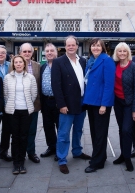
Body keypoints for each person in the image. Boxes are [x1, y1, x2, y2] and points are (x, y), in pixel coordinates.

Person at [51, 35, 91, 174]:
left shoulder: (83, 61)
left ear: (77, 46)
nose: (71, 47)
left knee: (79, 130)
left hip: (81, 102)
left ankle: (77, 151)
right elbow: (56, 85)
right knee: (63, 133)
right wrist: (61, 104)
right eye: (68, 45)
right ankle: (62, 159)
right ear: (65, 46)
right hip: (66, 104)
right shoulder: (58, 62)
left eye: (73, 44)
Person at [83, 38, 115, 173]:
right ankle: (100, 156)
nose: (95, 48)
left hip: (101, 103)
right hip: (91, 101)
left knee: (100, 133)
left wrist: (104, 105)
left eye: (98, 46)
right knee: (95, 132)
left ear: (102, 47)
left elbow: (109, 85)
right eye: (93, 46)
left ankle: (97, 162)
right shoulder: (90, 61)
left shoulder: (106, 60)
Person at [110, 42, 135, 172]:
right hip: (118, 102)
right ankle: (123, 155)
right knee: (120, 129)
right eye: (119, 51)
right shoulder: (114, 65)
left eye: (124, 51)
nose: (122, 53)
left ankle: (128, 158)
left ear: (128, 52)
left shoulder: (134, 67)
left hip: (129, 103)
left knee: (126, 130)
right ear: (116, 53)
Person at [4, 55, 37, 174]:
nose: (18, 64)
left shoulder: (31, 77)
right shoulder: (8, 77)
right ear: (13, 64)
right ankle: (15, 163)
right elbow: (5, 94)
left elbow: (34, 94)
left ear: (24, 64)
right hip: (12, 111)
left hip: (26, 111)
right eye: (16, 62)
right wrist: (12, 105)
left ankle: (22, 162)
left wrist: (27, 104)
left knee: (24, 136)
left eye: (20, 62)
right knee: (15, 137)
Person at [15, 43, 41, 164]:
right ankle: (19, 154)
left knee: (31, 130)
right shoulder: (14, 65)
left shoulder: (38, 66)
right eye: (24, 51)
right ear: (20, 53)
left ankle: (31, 152)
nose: (26, 54)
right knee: (18, 132)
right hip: (17, 106)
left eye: (29, 52)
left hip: (33, 105)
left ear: (32, 53)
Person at [40, 43, 59, 160]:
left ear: (56, 52)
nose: (49, 53)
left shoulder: (61, 65)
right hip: (46, 101)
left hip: (58, 101)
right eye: (47, 51)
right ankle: (51, 147)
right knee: (48, 126)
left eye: (52, 50)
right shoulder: (43, 66)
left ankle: (59, 150)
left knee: (60, 126)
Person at [0, 45, 12, 163]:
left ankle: (3, 152)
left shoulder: (10, 66)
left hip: (9, 104)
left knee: (7, 131)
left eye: (3, 53)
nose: (1, 54)